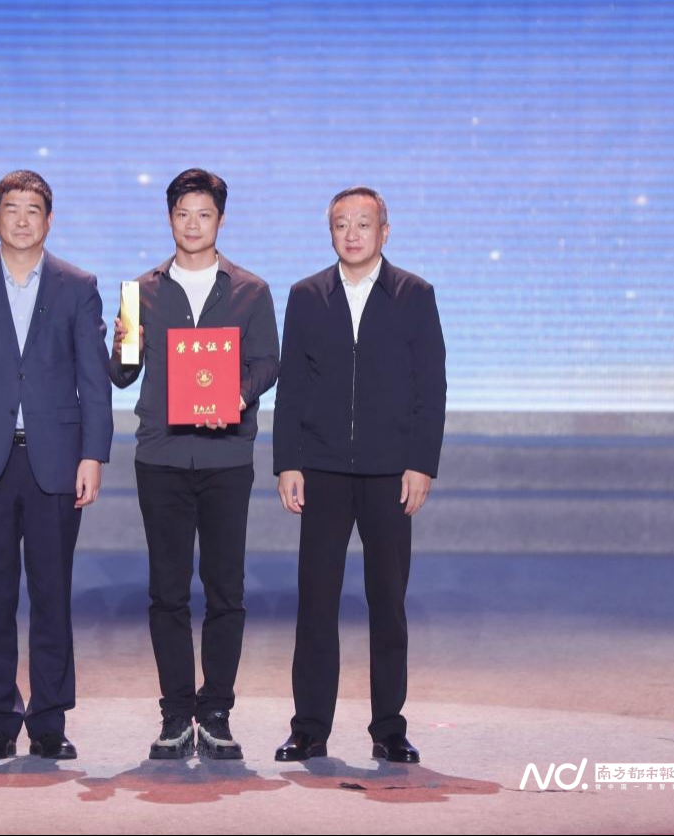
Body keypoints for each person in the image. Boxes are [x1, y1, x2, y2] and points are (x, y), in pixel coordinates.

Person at [0, 170, 113, 760]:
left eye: (34, 209)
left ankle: (50, 722)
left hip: (56, 459)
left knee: (53, 595)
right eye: (12, 208)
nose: (23, 219)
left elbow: (94, 379)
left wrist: (94, 453)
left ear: (49, 220)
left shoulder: (77, 286)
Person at [272, 186, 446, 764]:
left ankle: (389, 728)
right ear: (331, 232)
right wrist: (288, 461)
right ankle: (309, 727)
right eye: (341, 224)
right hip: (322, 470)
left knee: (387, 603)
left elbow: (431, 387)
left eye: (363, 224)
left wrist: (421, 463)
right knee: (316, 603)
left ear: (384, 232)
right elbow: (292, 387)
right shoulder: (306, 295)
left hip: (390, 472)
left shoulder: (414, 295)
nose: (352, 234)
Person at [110, 168, 279, 760]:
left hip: (227, 457)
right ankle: (176, 713)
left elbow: (268, 362)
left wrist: (237, 394)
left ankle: (217, 712)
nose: (192, 224)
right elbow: (122, 374)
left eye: (204, 214)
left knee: (226, 590)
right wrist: (121, 342)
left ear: (220, 220)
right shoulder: (139, 291)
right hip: (161, 456)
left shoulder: (251, 290)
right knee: (167, 591)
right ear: (169, 218)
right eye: (183, 214)